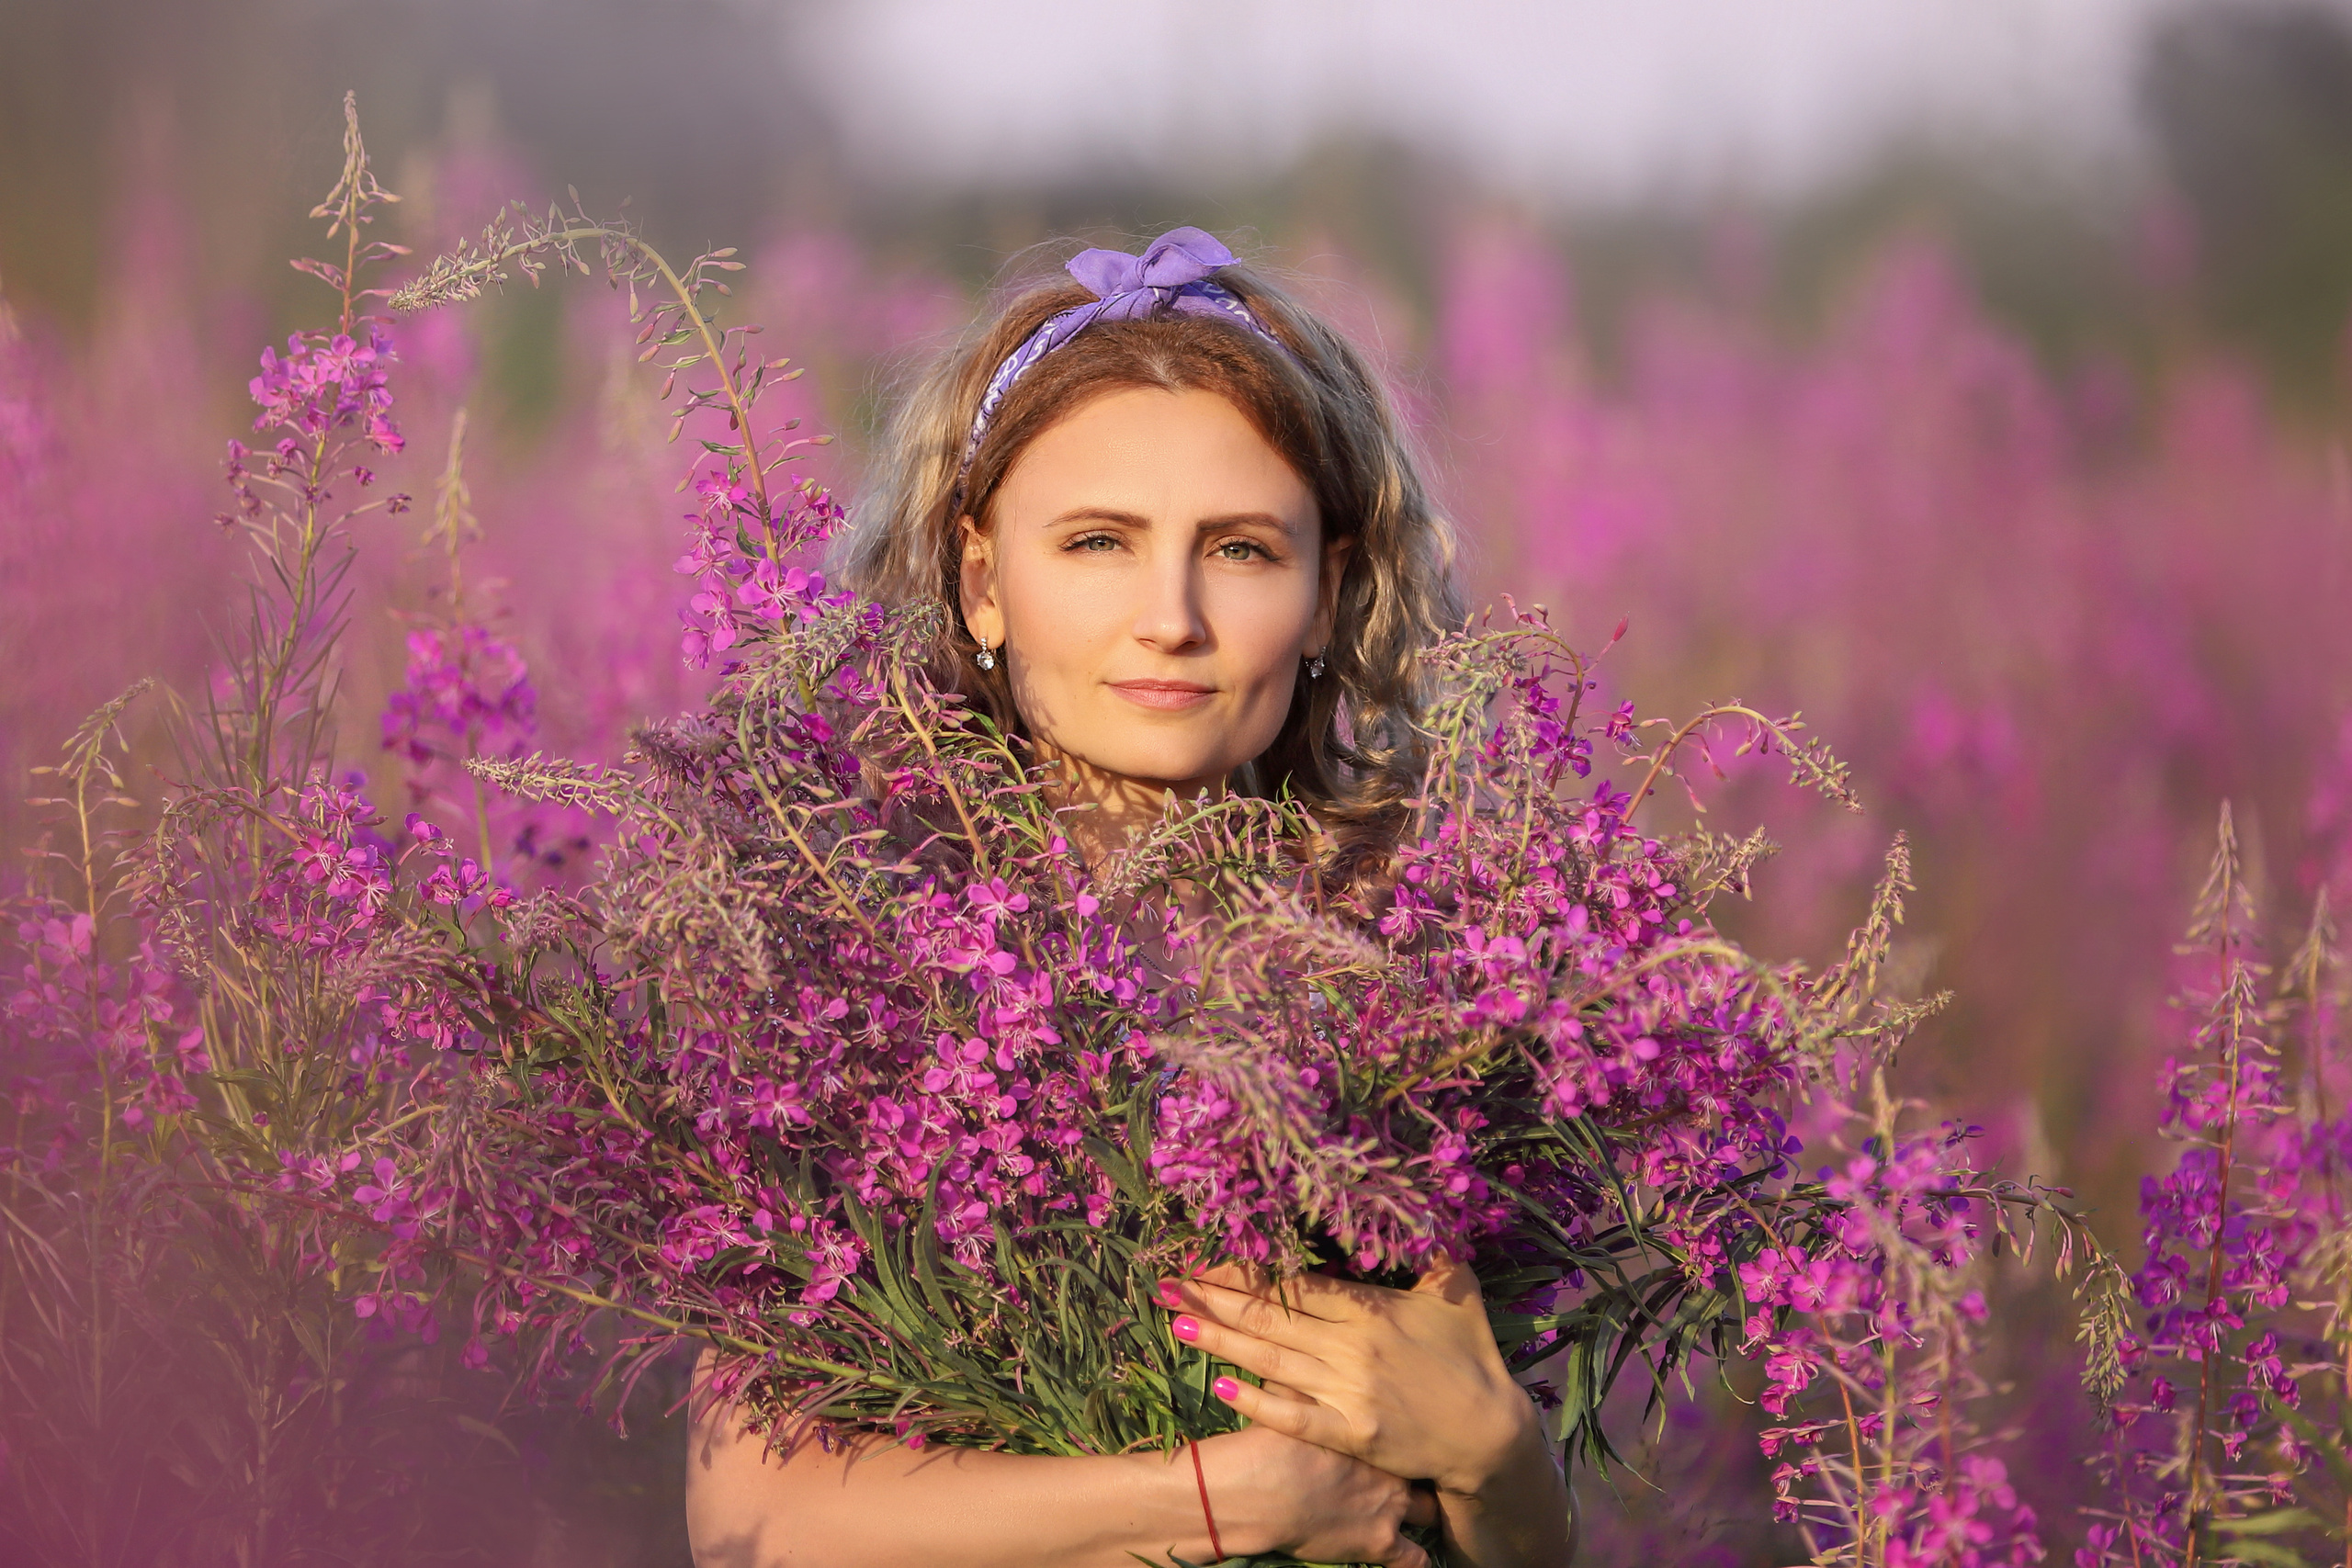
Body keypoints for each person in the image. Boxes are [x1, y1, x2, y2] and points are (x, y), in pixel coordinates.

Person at [684, 228, 1577, 1568]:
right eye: (1098, 541)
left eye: (1242, 550)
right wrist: (1221, 1504)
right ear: (982, 581)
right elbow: (749, 1521)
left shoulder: (1429, 976)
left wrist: (1495, 1455)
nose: (1172, 616)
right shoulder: (857, 967)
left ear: (1327, 592)